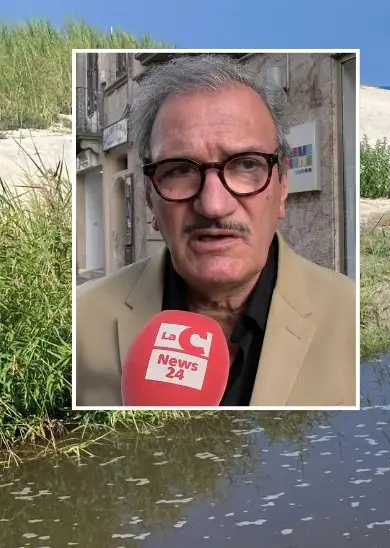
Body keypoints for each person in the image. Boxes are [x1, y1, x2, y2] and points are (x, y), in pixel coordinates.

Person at [75, 55, 358, 407]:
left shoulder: (352, 318)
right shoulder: (80, 324)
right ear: (150, 198)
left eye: (245, 165)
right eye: (179, 170)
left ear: (282, 187)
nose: (213, 205)